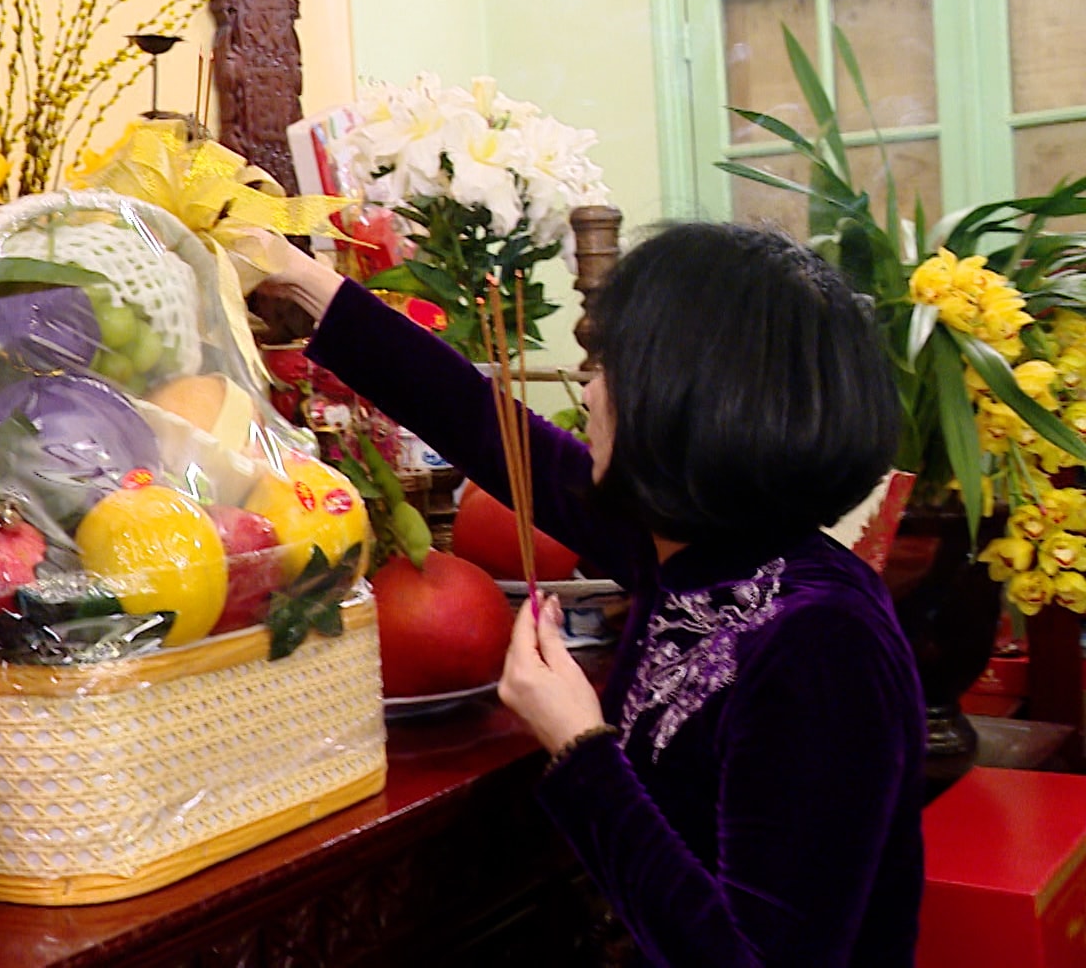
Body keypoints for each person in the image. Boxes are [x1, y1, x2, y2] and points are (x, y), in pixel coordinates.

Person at [263, 223, 924, 965]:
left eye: (608, 366)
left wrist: (580, 746)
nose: (589, 390)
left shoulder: (823, 641)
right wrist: (305, 281)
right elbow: (490, 430)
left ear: (690, 396)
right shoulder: (698, 547)